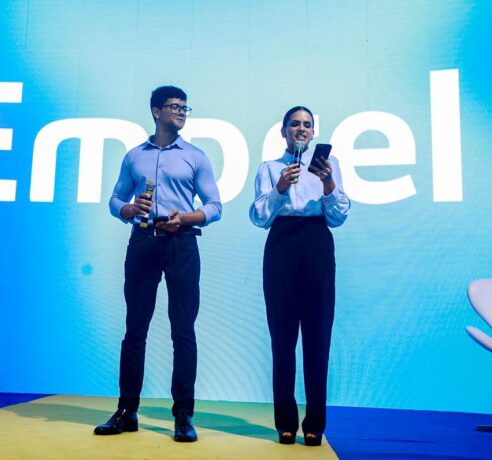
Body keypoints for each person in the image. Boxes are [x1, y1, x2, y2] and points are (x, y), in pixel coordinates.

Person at [94, 85, 222, 443]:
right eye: (174, 107)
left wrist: (186, 218)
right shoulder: (134, 156)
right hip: (143, 241)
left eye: (184, 108)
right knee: (135, 328)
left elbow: (215, 206)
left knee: (183, 330)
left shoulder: (196, 156)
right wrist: (127, 209)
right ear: (156, 111)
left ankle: (183, 416)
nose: (181, 112)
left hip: (182, 243)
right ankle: (126, 411)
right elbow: (115, 198)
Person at [249, 106, 350, 446]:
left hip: (317, 242)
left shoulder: (329, 166)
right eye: (295, 124)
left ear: (313, 132)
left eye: (307, 124)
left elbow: (339, 216)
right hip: (281, 244)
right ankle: (285, 422)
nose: (301, 129)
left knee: (318, 338)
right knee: (282, 338)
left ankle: (315, 423)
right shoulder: (269, 168)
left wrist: (328, 183)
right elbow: (259, 217)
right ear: (284, 131)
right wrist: (280, 187)